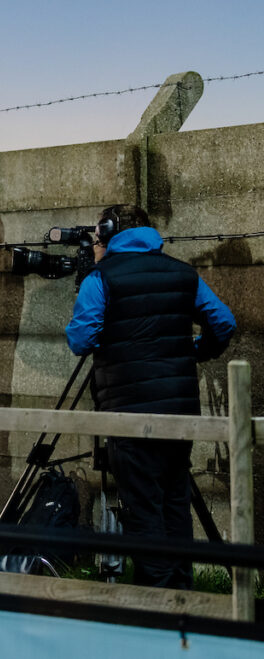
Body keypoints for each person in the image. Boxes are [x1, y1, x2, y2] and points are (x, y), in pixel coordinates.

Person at [66, 204, 235, 589]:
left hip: (128, 413)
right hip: (179, 410)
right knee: (175, 503)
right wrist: (196, 350)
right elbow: (224, 322)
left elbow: (81, 339)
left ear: (108, 231)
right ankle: (183, 599)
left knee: (143, 510)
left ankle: (155, 605)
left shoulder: (101, 277)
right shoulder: (183, 273)